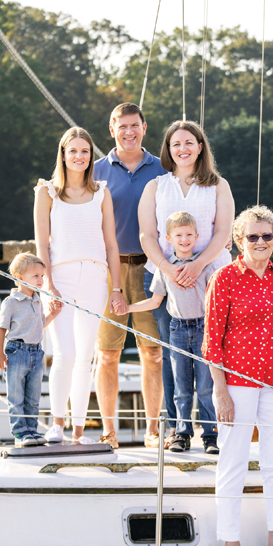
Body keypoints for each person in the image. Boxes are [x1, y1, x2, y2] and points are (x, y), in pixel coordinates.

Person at [202, 206, 273, 546]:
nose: (259, 241)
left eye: (266, 236)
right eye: (252, 236)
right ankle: (231, 545)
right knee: (233, 462)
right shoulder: (224, 278)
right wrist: (220, 392)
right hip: (236, 382)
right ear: (239, 240)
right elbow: (212, 340)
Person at [139, 120, 234, 447]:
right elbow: (147, 234)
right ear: (168, 149)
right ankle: (179, 431)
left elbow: (223, 232)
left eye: (189, 142)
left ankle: (212, 432)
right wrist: (167, 268)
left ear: (200, 146)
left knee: (212, 355)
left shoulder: (218, 185)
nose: (183, 149)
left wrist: (197, 263)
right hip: (166, 279)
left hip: (211, 276)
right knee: (171, 354)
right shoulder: (155, 186)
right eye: (176, 143)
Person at [34, 126, 126, 445]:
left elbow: (111, 245)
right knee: (64, 354)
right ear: (63, 154)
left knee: (86, 355)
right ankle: (56, 424)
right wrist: (48, 285)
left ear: (91, 156)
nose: (79, 156)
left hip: (96, 280)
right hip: (60, 277)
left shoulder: (102, 192)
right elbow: (41, 245)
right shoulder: (46, 192)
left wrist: (116, 288)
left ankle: (78, 431)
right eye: (73, 150)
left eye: (85, 151)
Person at [93, 103, 166, 449]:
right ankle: (109, 432)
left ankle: (153, 431)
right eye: (122, 126)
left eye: (134, 125)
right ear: (112, 129)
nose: (129, 131)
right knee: (108, 354)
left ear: (144, 127)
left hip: (153, 268)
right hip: (110, 270)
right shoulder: (94, 171)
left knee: (153, 353)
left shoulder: (163, 169)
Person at [117, 211, 219, 454]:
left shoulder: (205, 267)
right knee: (181, 387)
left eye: (188, 235)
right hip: (178, 330)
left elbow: (215, 302)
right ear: (169, 239)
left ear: (197, 236)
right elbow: (155, 302)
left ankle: (210, 435)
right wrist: (128, 307)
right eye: (178, 235)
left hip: (203, 328)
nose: (184, 239)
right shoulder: (165, 269)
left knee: (205, 386)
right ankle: (182, 434)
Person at [0, 252, 61, 447]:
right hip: (16, 352)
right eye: (36, 276)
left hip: (36, 353)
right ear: (19, 278)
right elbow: (1, 329)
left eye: (42, 276)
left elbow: (39, 325)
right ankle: (20, 433)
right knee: (16, 396)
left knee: (33, 396)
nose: (41, 280)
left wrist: (53, 314)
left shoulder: (37, 300)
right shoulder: (11, 302)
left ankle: (32, 430)